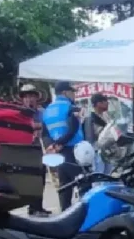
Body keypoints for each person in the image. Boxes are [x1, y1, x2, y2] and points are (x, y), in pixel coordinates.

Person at [42, 81, 85, 211]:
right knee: (83, 183)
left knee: (64, 184)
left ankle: (64, 213)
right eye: (72, 92)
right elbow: (73, 129)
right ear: (65, 93)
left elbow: (45, 133)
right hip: (74, 150)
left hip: (57, 152)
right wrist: (60, 143)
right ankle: (85, 215)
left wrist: (52, 146)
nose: (74, 95)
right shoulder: (71, 108)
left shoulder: (47, 110)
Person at [19, 84, 51, 217]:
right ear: (23, 99)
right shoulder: (19, 113)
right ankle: (31, 206)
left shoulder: (42, 112)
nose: (30, 99)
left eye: (32, 96)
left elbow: (47, 126)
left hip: (40, 148)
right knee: (30, 179)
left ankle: (38, 206)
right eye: (27, 97)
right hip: (26, 150)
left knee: (41, 178)